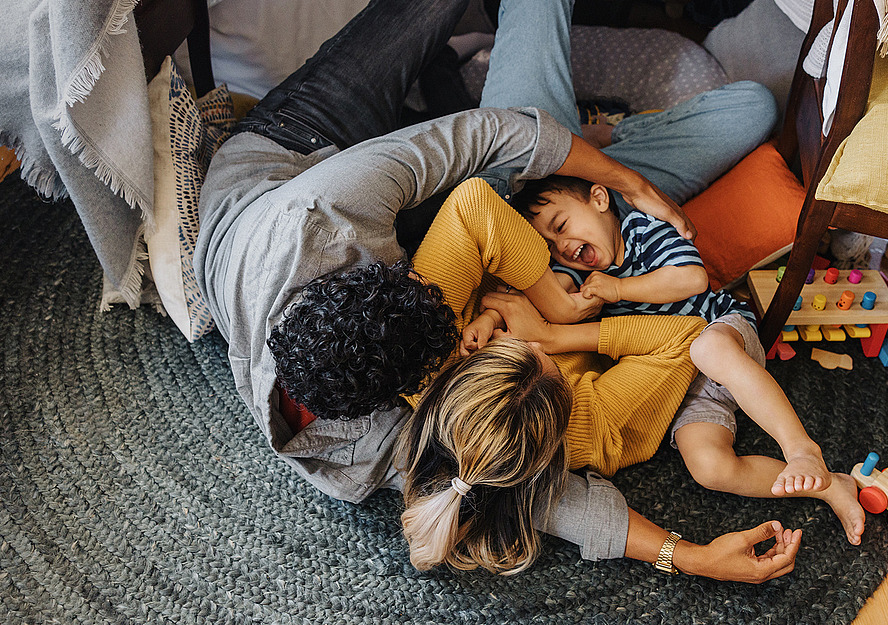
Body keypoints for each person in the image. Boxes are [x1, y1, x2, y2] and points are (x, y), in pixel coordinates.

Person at [195, 0, 799, 581]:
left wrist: (627, 186)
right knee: (752, 110)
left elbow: (479, 147)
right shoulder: (389, 441)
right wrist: (687, 556)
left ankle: (590, 140)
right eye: (470, 344)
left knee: (439, 46)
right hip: (545, 221)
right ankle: (590, 135)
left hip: (289, 154)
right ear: (422, 394)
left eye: (460, 321)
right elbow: (542, 494)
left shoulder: (324, 216)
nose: (475, 331)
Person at [505, 174, 865, 545]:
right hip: (684, 386)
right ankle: (830, 487)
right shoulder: (577, 273)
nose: (562, 246)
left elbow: (691, 279)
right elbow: (546, 295)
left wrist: (618, 288)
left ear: (599, 199)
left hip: (721, 334)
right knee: (711, 468)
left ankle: (801, 448)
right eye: (549, 246)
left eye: (561, 226)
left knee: (707, 349)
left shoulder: (641, 230)